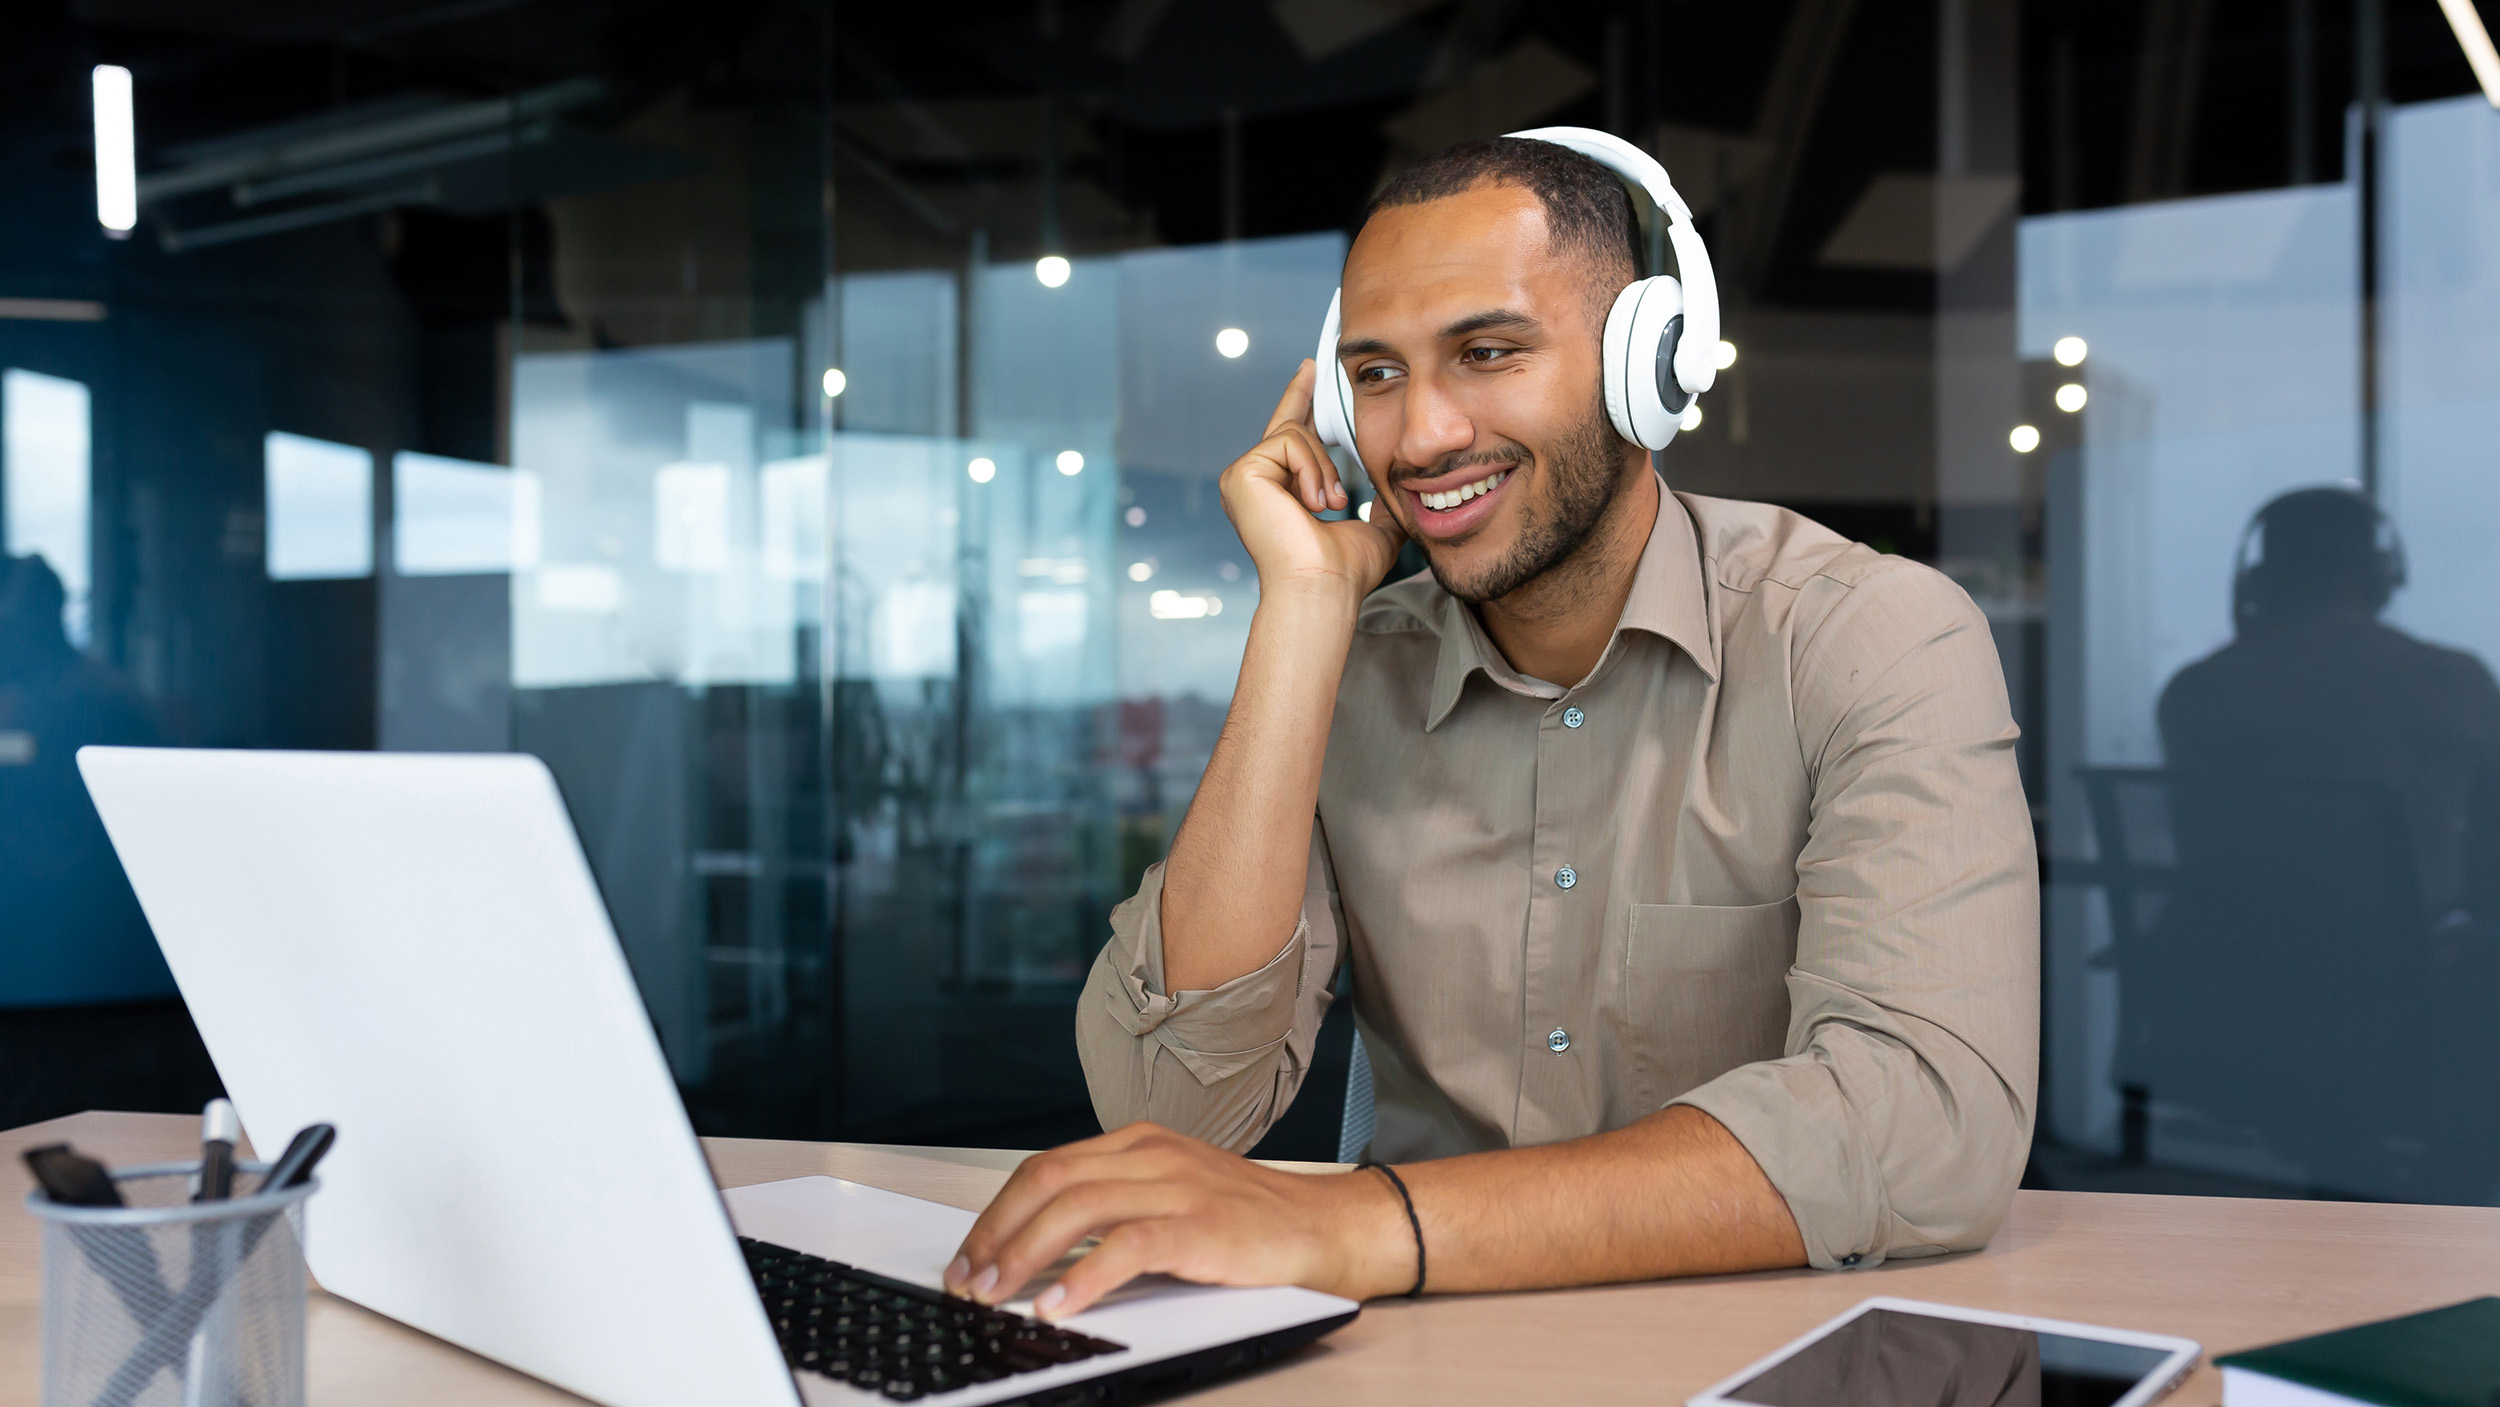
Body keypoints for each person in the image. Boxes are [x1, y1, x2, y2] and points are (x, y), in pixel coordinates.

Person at [945, 137, 2038, 1319]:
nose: (1418, 439)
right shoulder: (1349, 668)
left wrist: (1366, 1224)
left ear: (1645, 364)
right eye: (1374, 374)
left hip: (1756, 1337)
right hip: (1417, 1353)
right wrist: (1307, 612)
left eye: (1486, 353)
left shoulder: (1869, 640)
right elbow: (1168, 1113)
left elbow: (1927, 1125)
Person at [2160, 486, 2500, 928]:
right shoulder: (2454, 679)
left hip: (2239, 972)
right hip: (2409, 973)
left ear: (2259, 580)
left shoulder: (2198, 690)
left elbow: (2198, 851)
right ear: (2381, 576)